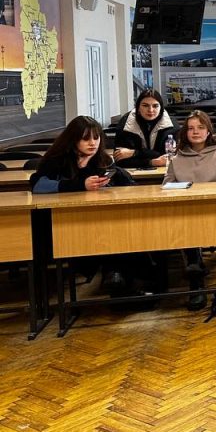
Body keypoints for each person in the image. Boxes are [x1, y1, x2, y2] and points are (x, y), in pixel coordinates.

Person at [29, 115, 145, 297]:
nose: (92, 143)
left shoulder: (102, 160)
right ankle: (113, 275)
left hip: (99, 220)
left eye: (96, 138)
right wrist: (80, 185)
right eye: (85, 139)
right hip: (64, 224)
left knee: (123, 230)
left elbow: (124, 186)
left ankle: (122, 280)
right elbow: (38, 185)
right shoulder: (57, 160)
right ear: (73, 139)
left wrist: (108, 184)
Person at [164, 110, 216, 310]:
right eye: (190, 128)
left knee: (190, 225)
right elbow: (167, 185)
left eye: (200, 127)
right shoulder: (177, 157)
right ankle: (196, 282)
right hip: (187, 212)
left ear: (208, 131)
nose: (195, 132)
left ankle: (198, 270)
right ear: (185, 132)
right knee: (185, 224)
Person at [113, 89, 176, 169]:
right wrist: (152, 162)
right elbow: (120, 160)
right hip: (132, 174)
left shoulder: (171, 125)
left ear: (161, 108)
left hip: (165, 171)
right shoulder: (126, 123)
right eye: (145, 105)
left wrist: (134, 153)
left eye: (155, 106)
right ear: (138, 107)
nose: (150, 110)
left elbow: (168, 157)